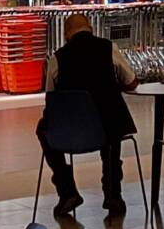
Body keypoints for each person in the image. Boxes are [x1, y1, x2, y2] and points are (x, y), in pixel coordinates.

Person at [39, 12, 136, 218]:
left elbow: (51, 99)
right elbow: (131, 82)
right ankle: (113, 194)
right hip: (106, 128)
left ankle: (67, 191)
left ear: (66, 35)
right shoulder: (109, 48)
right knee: (112, 118)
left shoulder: (57, 58)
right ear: (90, 28)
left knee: (43, 128)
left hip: (70, 132)